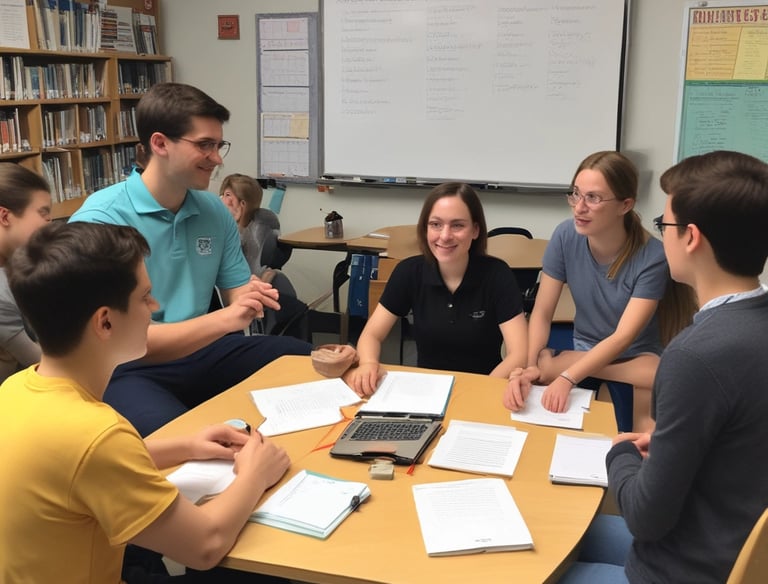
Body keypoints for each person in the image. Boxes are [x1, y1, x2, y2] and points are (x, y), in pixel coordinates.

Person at [0, 221, 291, 583]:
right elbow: (206, 545)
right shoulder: (97, 434)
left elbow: (72, 467)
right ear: (104, 323)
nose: (154, 306)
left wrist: (185, 447)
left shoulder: (15, 390)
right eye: (144, 297)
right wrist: (256, 474)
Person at [559, 150, 768, 584]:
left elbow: (644, 518)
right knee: (557, 528)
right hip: (731, 537)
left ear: (690, 238)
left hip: (683, 566)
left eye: (664, 226)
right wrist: (667, 440)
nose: (661, 237)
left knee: (533, 565)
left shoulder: (695, 355)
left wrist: (618, 451)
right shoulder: (752, 326)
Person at [70, 82, 312, 437]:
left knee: (303, 360)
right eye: (204, 145)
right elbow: (113, 340)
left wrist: (249, 296)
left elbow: (236, 290)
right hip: (126, 366)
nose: (218, 158)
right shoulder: (101, 221)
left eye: (218, 145)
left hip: (201, 352)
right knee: (183, 439)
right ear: (160, 144)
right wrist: (228, 318)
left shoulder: (213, 210)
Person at [503, 151, 693, 432]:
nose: (579, 207)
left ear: (624, 205)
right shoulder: (565, 235)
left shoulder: (652, 256)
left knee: (648, 397)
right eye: (576, 194)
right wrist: (532, 366)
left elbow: (622, 338)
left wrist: (566, 372)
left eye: (593, 198)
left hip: (634, 356)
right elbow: (542, 313)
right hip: (587, 345)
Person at [347, 182, 528, 396]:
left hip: (484, 387)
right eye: (436, 224)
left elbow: (519, 353)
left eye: (457, 225)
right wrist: (368, 363)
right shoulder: (409, 272)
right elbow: (372, 335)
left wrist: (479, 391)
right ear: (425, 228)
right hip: (427, 392)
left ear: (476, 230)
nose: (444, 235)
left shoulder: (497, 275)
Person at [218, 173, 307, 337]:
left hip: (254, 299)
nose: (221, 199)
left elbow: (256, 271)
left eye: (227, 195)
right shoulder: (233, 228)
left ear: (241, 204)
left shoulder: (253, 229)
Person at [0, 163, 51, 383]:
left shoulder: (18, 263)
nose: (49, 225)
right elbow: (41, 364)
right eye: (43, 214)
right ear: (5, 217)